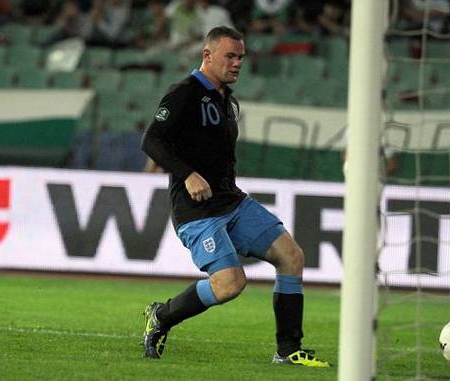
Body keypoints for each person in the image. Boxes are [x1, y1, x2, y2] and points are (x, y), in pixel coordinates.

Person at [140, 26, 330, 368]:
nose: (237, 63)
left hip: (232, 201)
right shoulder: (183, 93)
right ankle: (161, 316)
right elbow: (152, 141)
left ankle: (288, 351)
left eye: (241, 56)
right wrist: (188, 174)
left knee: (292, 257)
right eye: (230, 55)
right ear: (207, 55)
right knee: (230, 283)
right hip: (197, 211)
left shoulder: (227, 99)